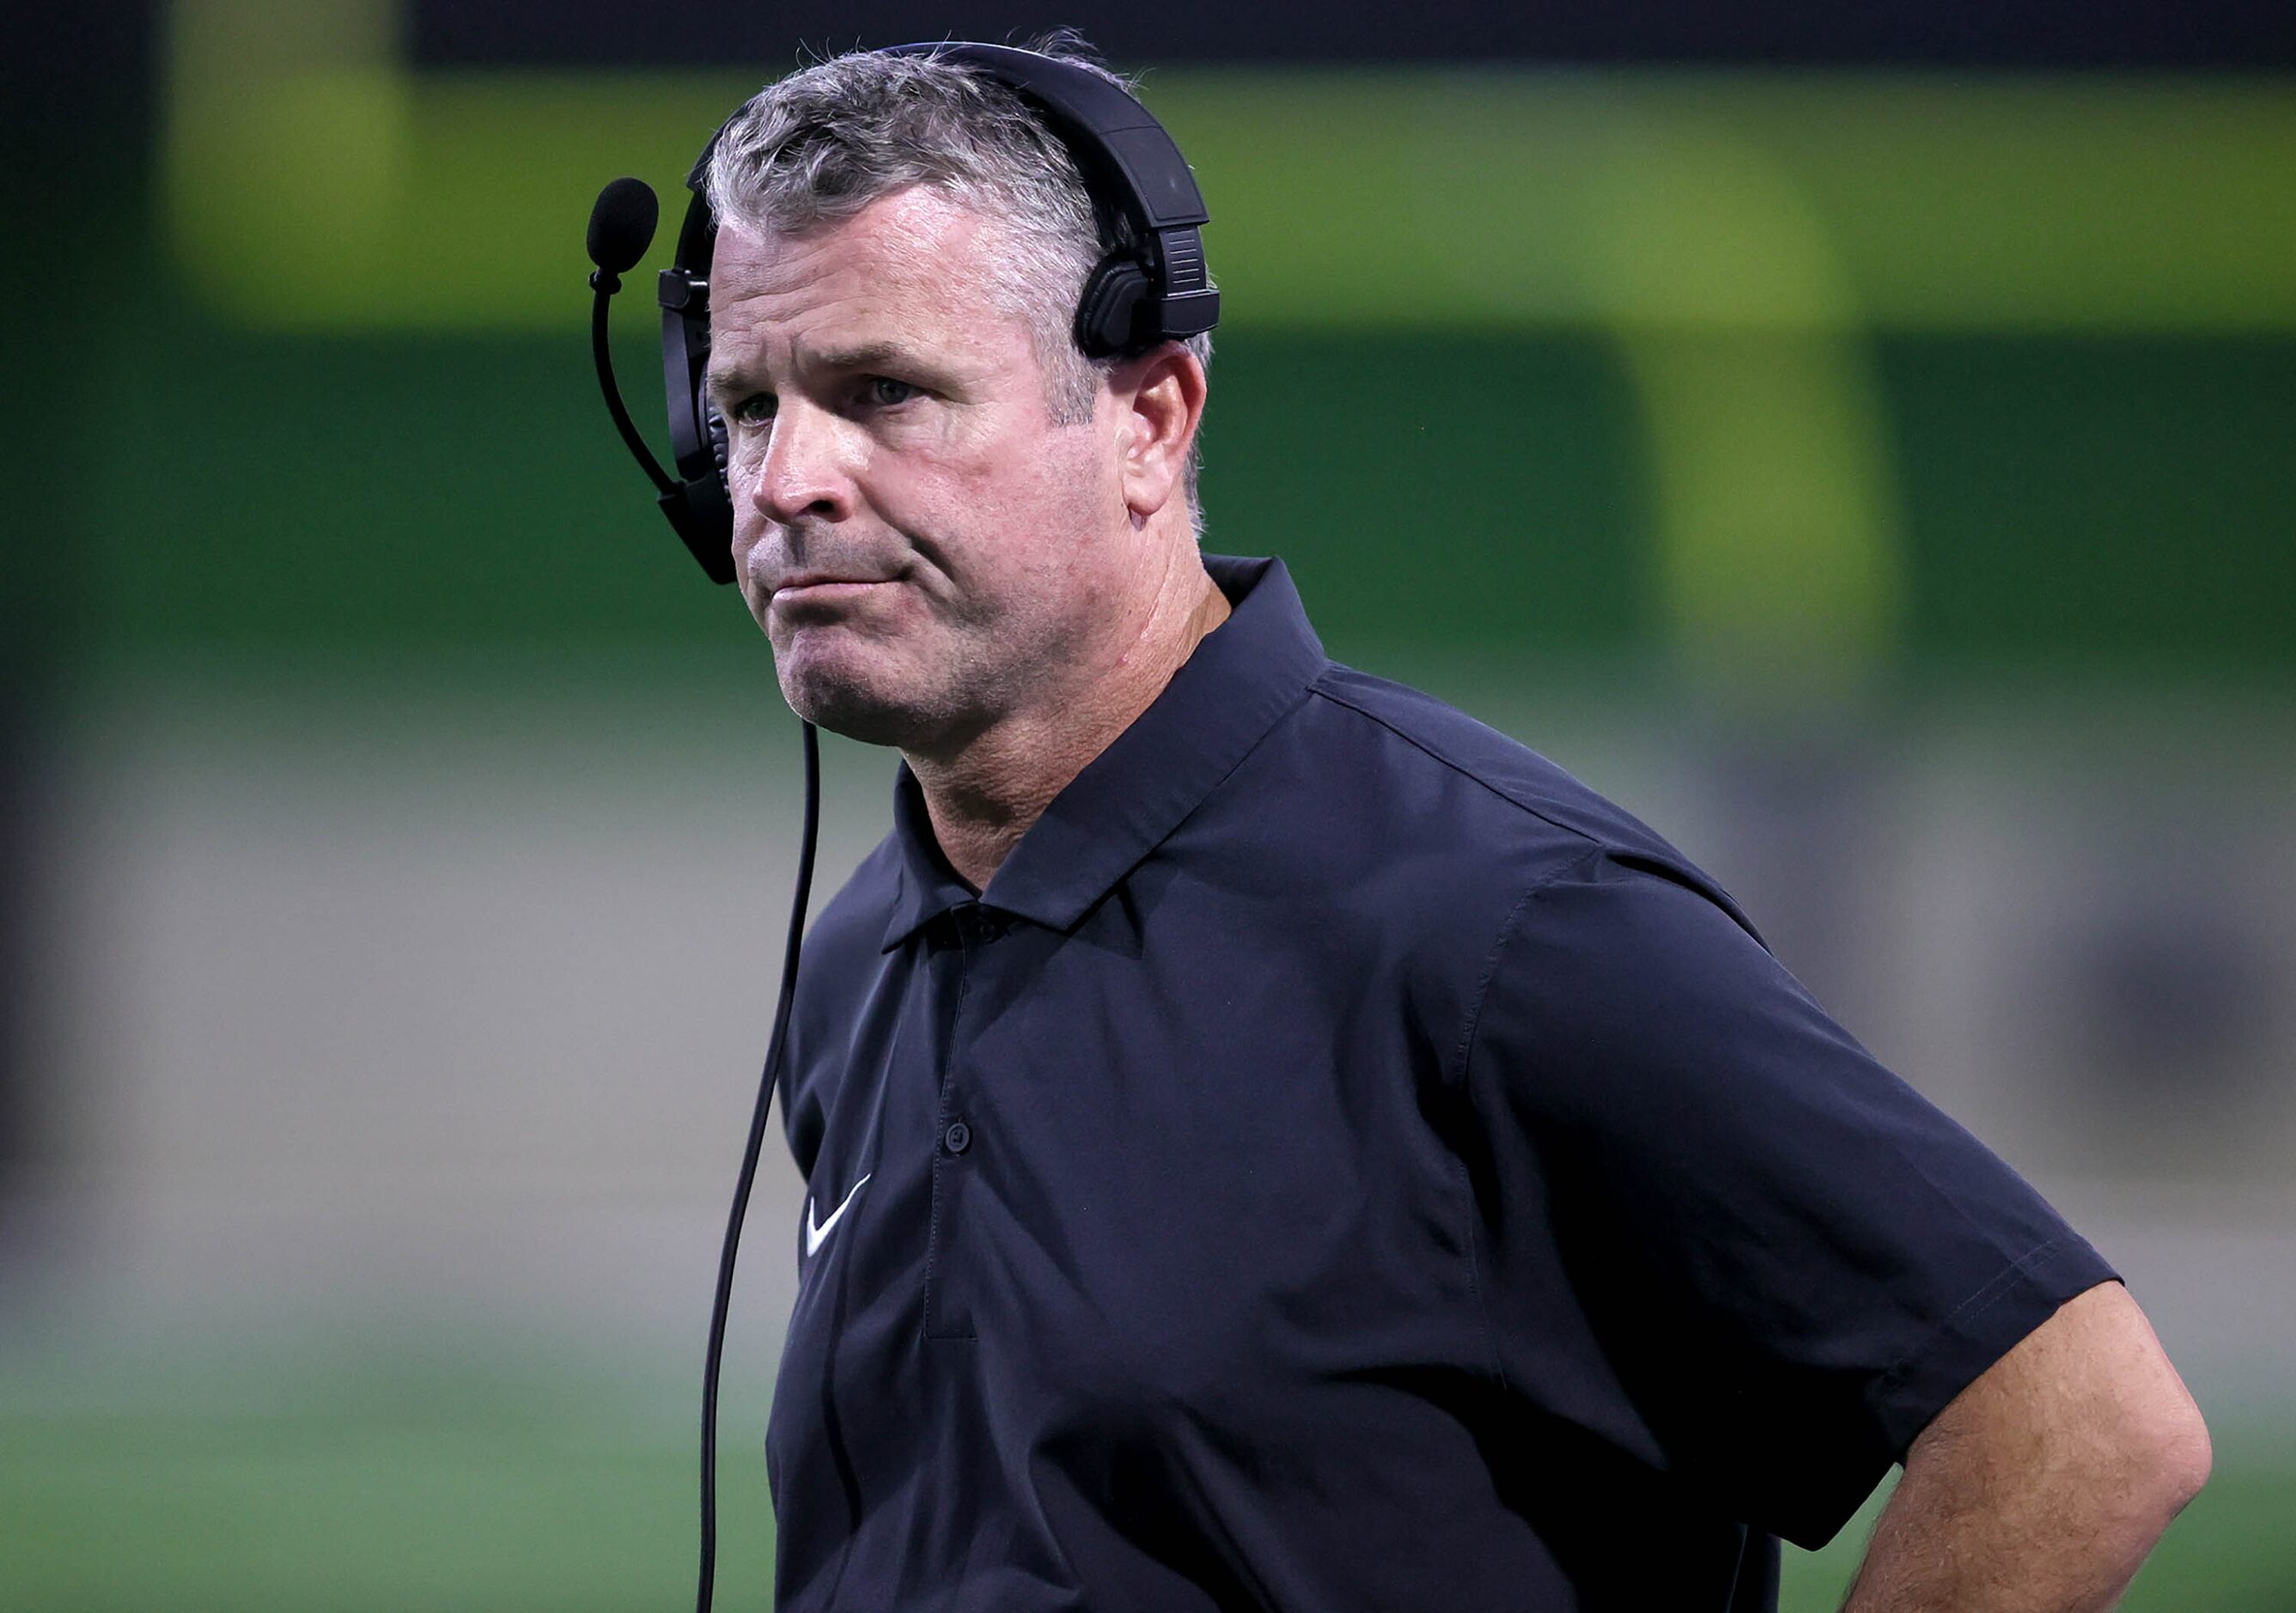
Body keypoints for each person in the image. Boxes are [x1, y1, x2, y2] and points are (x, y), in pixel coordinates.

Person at [698, 39, 2210, 1612]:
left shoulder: (1496, 919)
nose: (787, 477)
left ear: (1148, 421)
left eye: (886, 392)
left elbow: (2080, 1421)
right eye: (747, 407)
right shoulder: (871, 942)